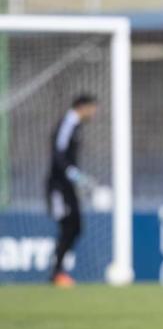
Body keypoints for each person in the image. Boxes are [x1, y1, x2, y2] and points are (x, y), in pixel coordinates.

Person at [46, 94, 98, 287]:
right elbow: (58, 154)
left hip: (68, 186)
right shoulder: (67, 123)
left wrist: (77, 179)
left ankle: (58, 272)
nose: (94, 113)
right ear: (82, 107)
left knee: (75, 227)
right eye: (93, 108)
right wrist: (74, 175)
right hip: (59, 187)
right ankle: (56, 273)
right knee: (68, 226)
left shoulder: (75, 126)